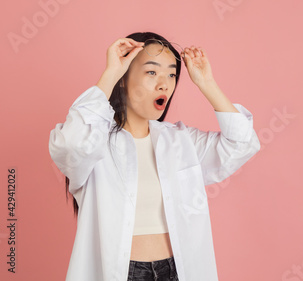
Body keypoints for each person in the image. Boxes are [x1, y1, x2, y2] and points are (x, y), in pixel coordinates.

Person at [48, 31, 261, 281]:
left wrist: (207, 83)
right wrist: (110, 74)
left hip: (179, 271)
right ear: (124, 79)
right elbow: (69, 144)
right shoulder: (95, 142)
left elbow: (242, 143)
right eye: (152, 72)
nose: (164, 83)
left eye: (171, 74)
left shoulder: (181, 141)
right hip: (121, 273)